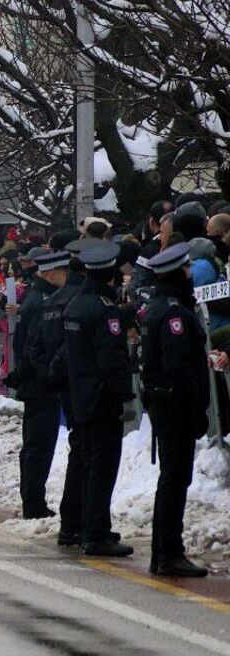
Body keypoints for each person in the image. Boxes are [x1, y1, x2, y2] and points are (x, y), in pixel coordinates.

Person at [55, 240, 135, 557]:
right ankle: (95, 533)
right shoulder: (104, 310)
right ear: (111, 274)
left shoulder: (75, 304)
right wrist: (123, 394)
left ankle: (83, 525)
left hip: (81, 395)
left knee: (86, 463)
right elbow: (111, 358)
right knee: (102, 467)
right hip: (102, 399)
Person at [137, 244, 212, 577]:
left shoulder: (159, 307)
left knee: (173, 477)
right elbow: (178, 367)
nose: (190, 274)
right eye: (187, 269)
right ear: (178, 273)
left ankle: (164, 552)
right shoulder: (174, 314)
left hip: (164, 403)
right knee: (174, 478)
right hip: (174, 406)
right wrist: (195, 408)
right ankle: (169, 553)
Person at [9, 249, 69, 517]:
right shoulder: (43, 302)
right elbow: (32, 346)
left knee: (36, 444)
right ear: (52, 273)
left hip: (35, 381)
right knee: (38, 445)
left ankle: (33, 500)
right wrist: (47, 375)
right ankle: (33, 503)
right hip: (39, 383)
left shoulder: (36, 297)